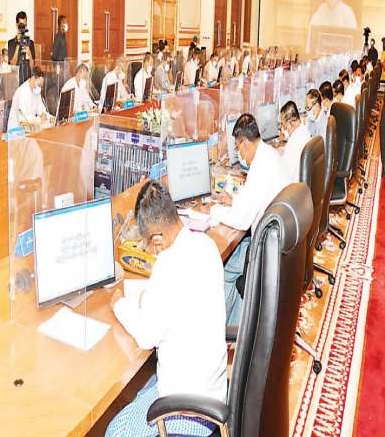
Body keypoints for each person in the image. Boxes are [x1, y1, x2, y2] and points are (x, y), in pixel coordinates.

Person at [106, 180, 227, 437]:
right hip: (213, 392)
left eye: (147, 243)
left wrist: (118, 304)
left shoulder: (167, 267)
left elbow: (146, 337)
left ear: (157, 239)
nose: (149, 250)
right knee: (141, 390)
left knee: (114, 431)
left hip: (189, 411)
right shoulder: (205, 245)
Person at [210, 114, 291, 325]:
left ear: (245, 142)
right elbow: (254, 198)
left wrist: (214, 211)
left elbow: (242, 221)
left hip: (265, 248)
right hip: (279, 242)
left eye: (238, 147)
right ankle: (239, 324)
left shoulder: (260, 166)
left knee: (224, 268)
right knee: (235, 254)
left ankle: (227, 327)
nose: (238, 153)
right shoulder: (269, 155)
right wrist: (234, 200)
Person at [279, 101, 312, 182]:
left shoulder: (293, 143)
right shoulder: (304, 130)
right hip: (306, 182)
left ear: (290, 123)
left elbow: (285, 175)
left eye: (283, 125)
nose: (283, 129)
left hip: (295, 185)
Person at [8, 11, 36, 84]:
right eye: (21, 25)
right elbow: (12, 64)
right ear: (17, 25)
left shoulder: (30, 43)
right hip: (15, 80)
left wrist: (29, 54)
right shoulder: (11, 43)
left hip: (28, 80)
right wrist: (18, 44)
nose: (22, 27)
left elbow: (32, 67)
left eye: (24, 24)